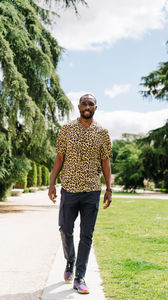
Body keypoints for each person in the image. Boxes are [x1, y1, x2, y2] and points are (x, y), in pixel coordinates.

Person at [48, 93, 112, 294]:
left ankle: (80, 277)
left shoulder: (102, 132)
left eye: (90, 103)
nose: (87, 106)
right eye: (84, 103)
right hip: (69, 189)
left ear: (95, 107)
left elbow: (106, 161)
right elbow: (59, 157)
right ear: (78, 107)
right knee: (65, 229)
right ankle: (70, 260)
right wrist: (52, 184)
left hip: (92, 190)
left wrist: (109, 189)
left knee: (87, 235)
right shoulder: (66, 129)